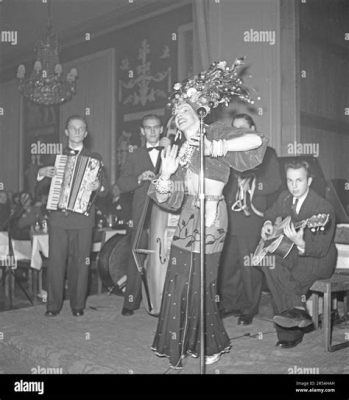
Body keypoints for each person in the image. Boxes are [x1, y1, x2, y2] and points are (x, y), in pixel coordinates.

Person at [147, 59, 268, 369]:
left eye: (185, 109)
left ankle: (209, 344)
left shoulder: (216, 131)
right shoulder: (177, 149)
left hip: (213, 213)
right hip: (187, 216)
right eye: (176, 113)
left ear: (198, 110)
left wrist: (216, 148)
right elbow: (164, 198)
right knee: (178, 279)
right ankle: (181, 344)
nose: (180, 115)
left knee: (202, 283)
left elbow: (256, 142)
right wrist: (165, 173)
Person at [260, 160, 337, 348]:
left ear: (309, 181)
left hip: (318, 259)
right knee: (267, 261)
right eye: (290, 181)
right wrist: (268, 223)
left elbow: (320, 249)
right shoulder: (285, 198)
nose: (293, 186)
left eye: (299, 180)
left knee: (282, 281)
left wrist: (300, 242)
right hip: (292, 253)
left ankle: (289, 335)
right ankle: (299, 310)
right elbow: (270, 213)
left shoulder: (323, 208)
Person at [37, 115, 107, 317]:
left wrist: (98, 186)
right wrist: (42, 173)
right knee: (56, 263)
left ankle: (77, 305)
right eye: (73, 128)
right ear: (66, 132)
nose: (77, 132)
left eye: (81, 128)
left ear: (85, 133)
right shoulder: (53, 158)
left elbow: (106, 190)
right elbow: (38, 188)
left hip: (83, 219)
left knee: (81, 262)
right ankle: (53, 306)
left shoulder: (96, 158)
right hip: (58, 218)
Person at [218, 114, 282, 325]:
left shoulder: (267, 153)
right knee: (228, 265)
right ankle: (229, 304)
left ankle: (249, 307)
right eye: (234, 128)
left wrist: (252, 183)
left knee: (249, 267)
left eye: (243, 128)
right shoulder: (228, 154)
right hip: (229, 217)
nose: (238, 132)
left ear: (253, 129)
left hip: (252, 218)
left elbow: (274, 183)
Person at [115, 114, 170, 316]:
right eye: (148, 128)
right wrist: (138, 179)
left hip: (166, 209)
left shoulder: (170, 150)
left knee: (165, 253)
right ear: (142, 131)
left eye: (156, 127)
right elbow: (121, 184)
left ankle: (164, 299)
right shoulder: (134, 154)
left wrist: (171, 149)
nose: (152, 131)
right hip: (142, 209)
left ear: (162, 129)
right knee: (136, 253)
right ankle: (131, 301)